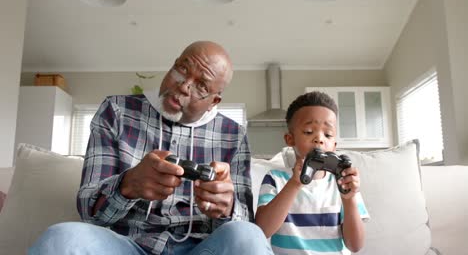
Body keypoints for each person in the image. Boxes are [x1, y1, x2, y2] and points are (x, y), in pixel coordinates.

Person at [29, 41, 272, 255]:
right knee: (60, 238)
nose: (184, 86)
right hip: (125, 245)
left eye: (201, 87)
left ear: (214, 102)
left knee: (248, 236)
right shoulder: (117, 111)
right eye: (183, 69)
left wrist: (226, 208)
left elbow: (243, 227)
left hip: (202, 248)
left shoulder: (233, 135)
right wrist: (128, 185)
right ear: (173, 65)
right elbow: (89, 212)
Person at [255, 91, 370, 255]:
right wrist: (294, 184)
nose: (319, 139)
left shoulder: (344, 183)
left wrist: (349, 199)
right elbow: (262, 231)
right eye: (309, 132)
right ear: (290, 139)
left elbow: (355, 245)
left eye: (328, 134)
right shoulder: (275, 179)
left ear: (334, 145)